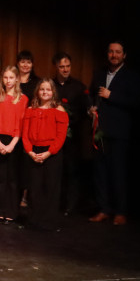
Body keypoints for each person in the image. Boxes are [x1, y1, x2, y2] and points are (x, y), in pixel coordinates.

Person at [88, 41, 140, 226]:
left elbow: (136, 102)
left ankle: (120, 212)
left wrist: (112, 96)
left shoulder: (131, 76)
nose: (114, 55)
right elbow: (92, 95)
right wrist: (91, 107)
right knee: (100, 172)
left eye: (118, 52)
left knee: (118, 173)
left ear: (124, 55)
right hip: (100, 131)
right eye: (111, 51)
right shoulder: (99, 73)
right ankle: (104, 209)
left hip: (119, 132)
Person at [22, 79, 69, 230]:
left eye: (48, 90)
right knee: (34, 188)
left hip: (51, 153)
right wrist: (30, 152)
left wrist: (48, 153)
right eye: (42, 89)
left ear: (53, 92)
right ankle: (34, 220)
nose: (45, 92)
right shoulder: (30, 110)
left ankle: (48, 222)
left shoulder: (59, 111)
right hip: (34, 152)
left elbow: (60, 137)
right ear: (38, 91)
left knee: (50, 188)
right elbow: (25, 135)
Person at [0, 65, 27, 224]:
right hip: (0, 139)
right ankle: (0, 211)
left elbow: (21, 123)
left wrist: (11, 144)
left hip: (14, 141)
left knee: (12, 179)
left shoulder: (22, 99)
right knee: (1, 178)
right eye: (5, 78)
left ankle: (11, 211)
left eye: (11, 77)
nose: (8, 81)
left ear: (17, 79)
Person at [52, 52, 89, 215]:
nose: (65, 69)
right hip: (52, 135)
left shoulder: (78, 87)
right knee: (55, 170)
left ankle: (70, 206)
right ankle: (55, 203)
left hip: (72, 137)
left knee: (72, 170)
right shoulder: (50, 85)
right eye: (62, 66)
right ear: (56, 67)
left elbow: (84, 112)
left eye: (68, 66)